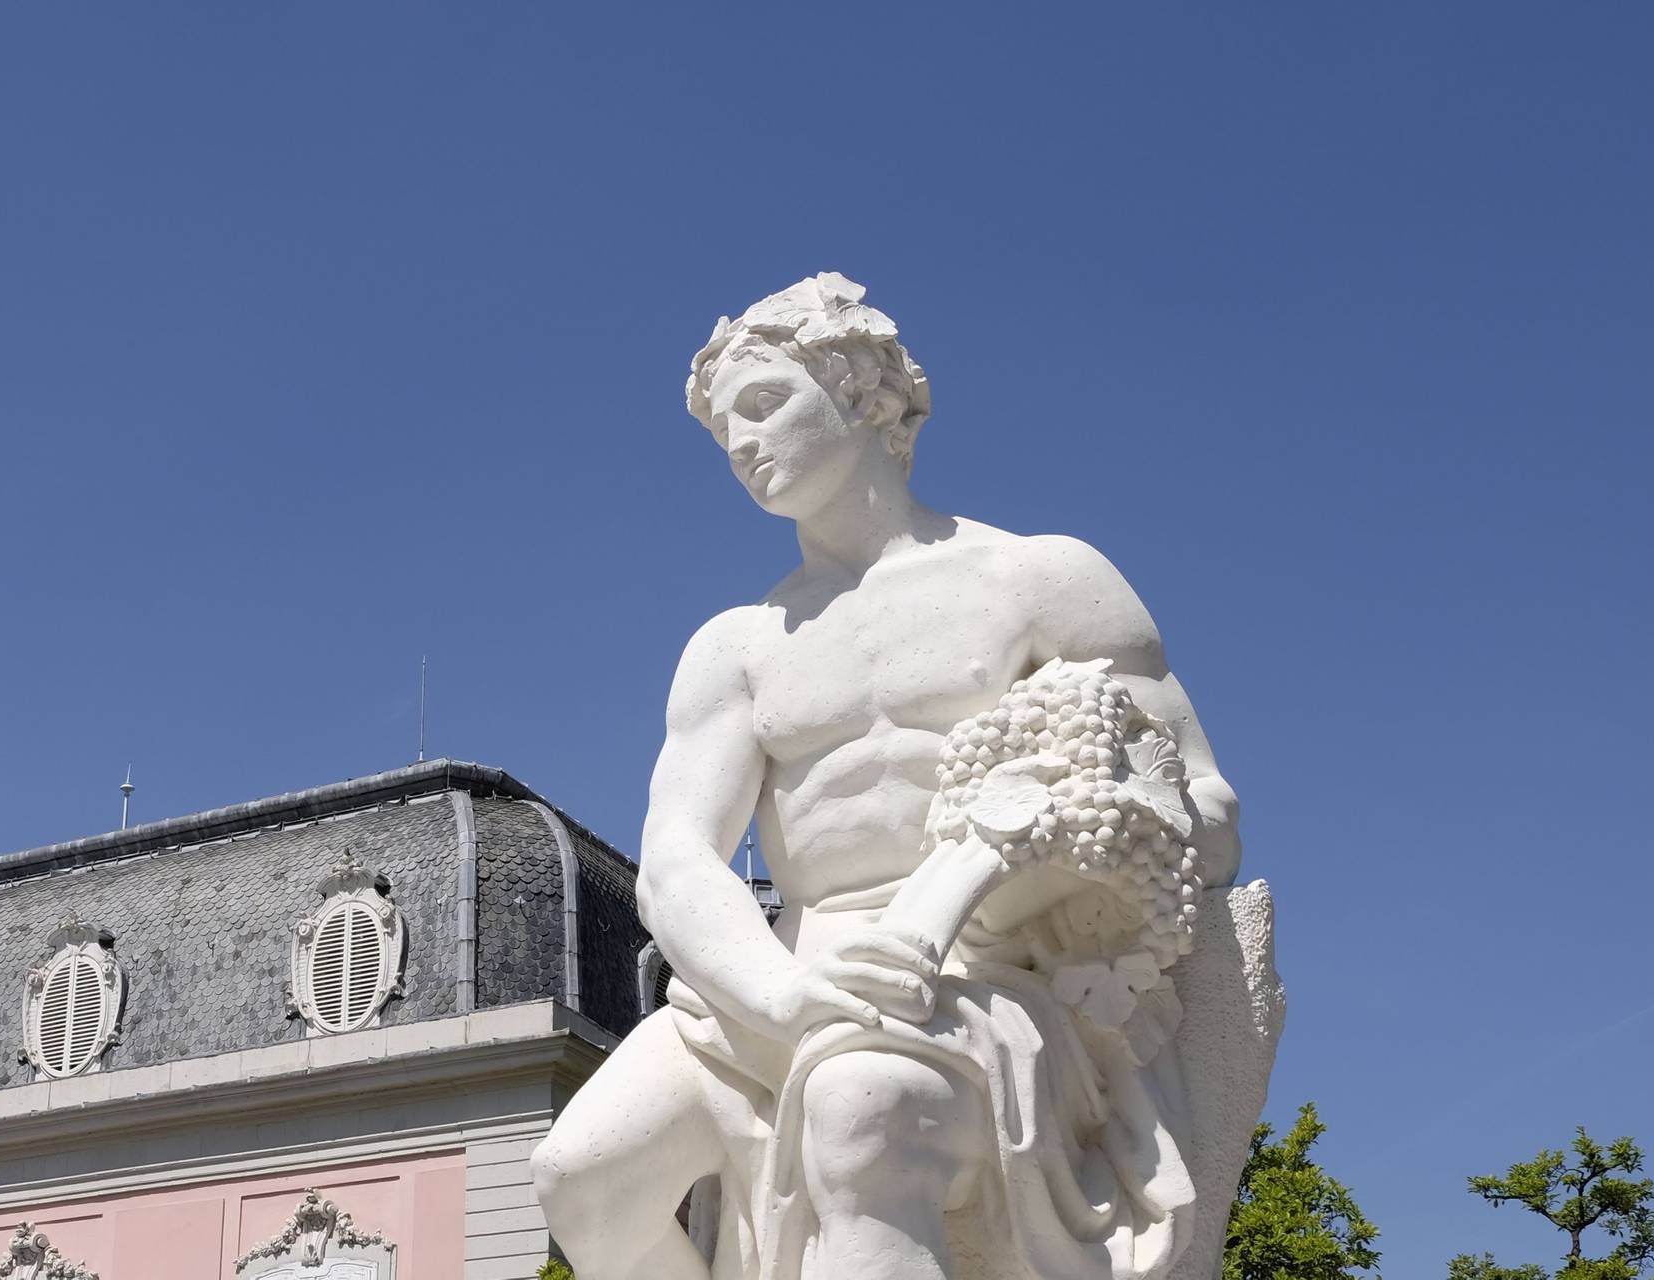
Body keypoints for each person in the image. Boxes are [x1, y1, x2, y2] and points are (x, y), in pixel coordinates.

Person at [532, 275, 1242, 1280]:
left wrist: (1060, 848)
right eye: (721, 426)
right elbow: (677, 859)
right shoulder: (736, 648)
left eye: (764, 403)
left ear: (861, 392)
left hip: (982, 975)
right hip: (779, 975)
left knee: (859, 1103)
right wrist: (783, 997)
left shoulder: (1035, 579)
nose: (739, 442)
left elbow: (1201, 806)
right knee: (580, 1176)